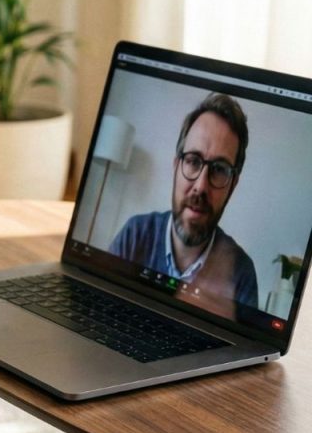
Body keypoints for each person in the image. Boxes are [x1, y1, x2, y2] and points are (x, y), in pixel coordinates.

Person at [109, 92, 258, 311]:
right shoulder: (135, 234)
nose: (200, 186)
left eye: (219, 169)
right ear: (176, 166)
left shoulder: (241, 274)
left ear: (232, 185)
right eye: (193, 161)